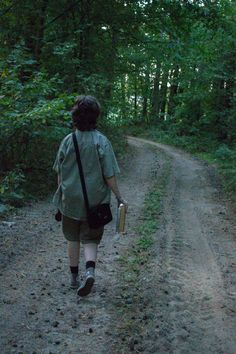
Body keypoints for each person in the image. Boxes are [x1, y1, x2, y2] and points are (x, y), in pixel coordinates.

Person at [53, 95, 127, 297]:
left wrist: (61, 195)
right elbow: (109, 174)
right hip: (95, 201)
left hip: (70, 200)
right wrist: (119, 196)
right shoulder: (101, 141)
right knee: (91, 237)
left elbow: (60, 171)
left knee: (72, 237)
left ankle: (73, 277)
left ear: (75, 117)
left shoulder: (68, 141)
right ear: (96, 117)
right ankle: (90, 271)